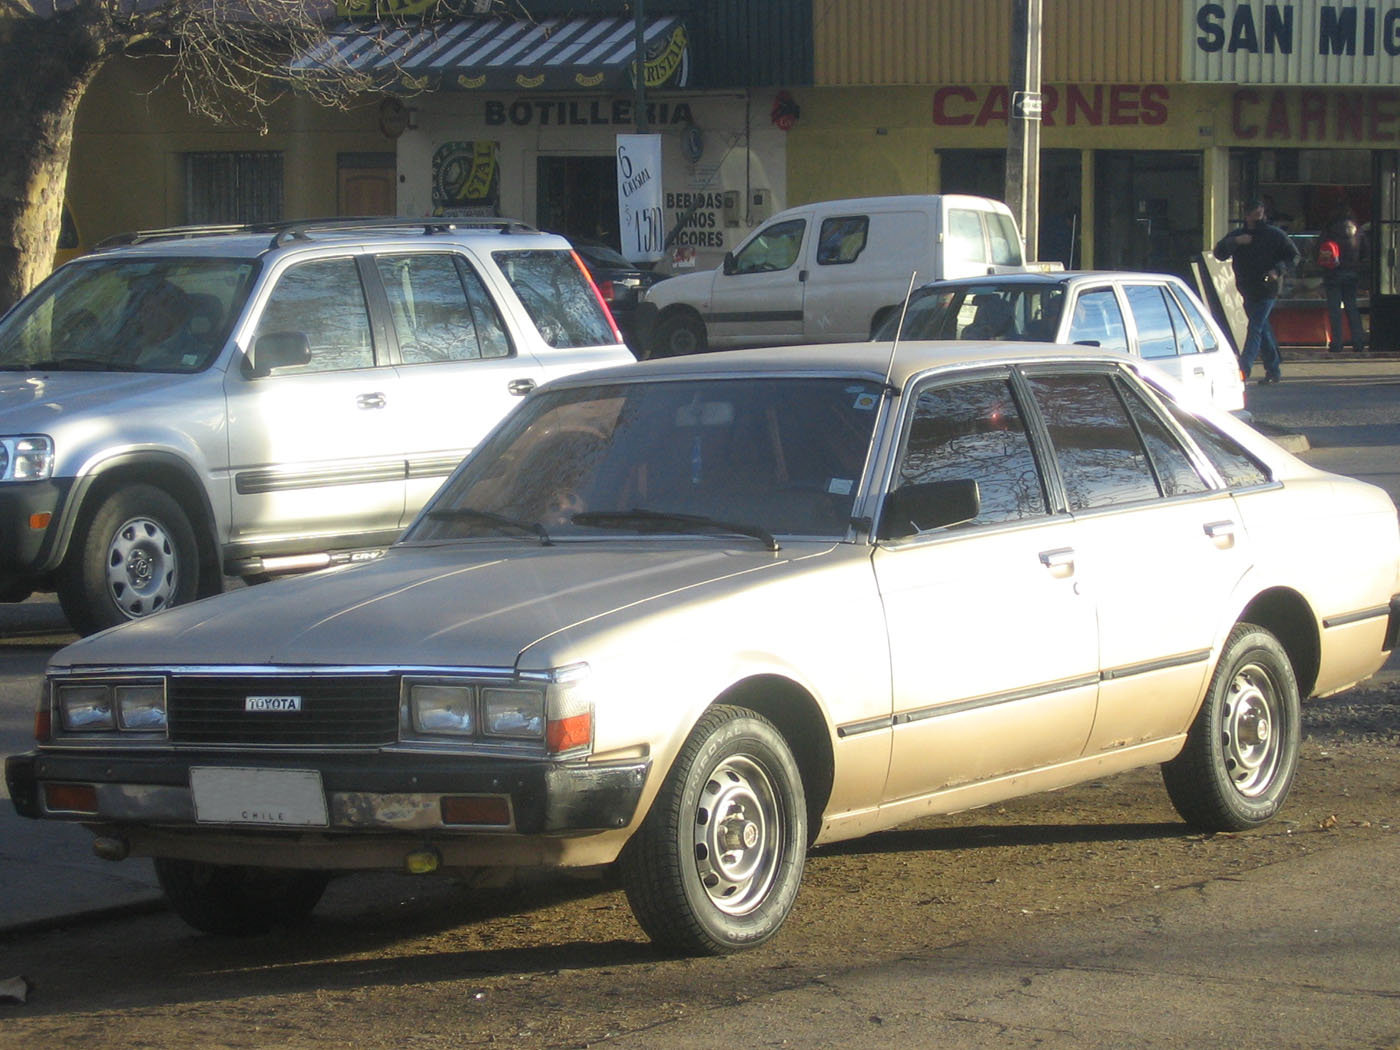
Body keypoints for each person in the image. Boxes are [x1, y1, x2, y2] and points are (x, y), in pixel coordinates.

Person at [1214, 199, 1300, 385]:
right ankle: (1273, 369)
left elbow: (1294, 255)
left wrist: (1277, 271)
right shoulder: (1238, 235)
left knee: (1255, 327)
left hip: (1267, 288)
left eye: (1261, 213)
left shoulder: (1274, 234)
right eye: (1255, 214)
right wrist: (1235, 241)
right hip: (1247, 287)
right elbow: (1219, 253)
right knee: (1262, 328)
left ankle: (1243, 369)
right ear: (1247, 216)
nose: (1258, 217)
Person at [1320, 205, 1367, 355]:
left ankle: (1337, 344)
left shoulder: (1329, 231)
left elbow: (1318, 251)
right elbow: (1365, 252)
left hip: (1333, 274)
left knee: (1335, 310)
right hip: (1352, 273)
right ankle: (1358, 342)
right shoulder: (1358, 232)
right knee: (1352, 308)